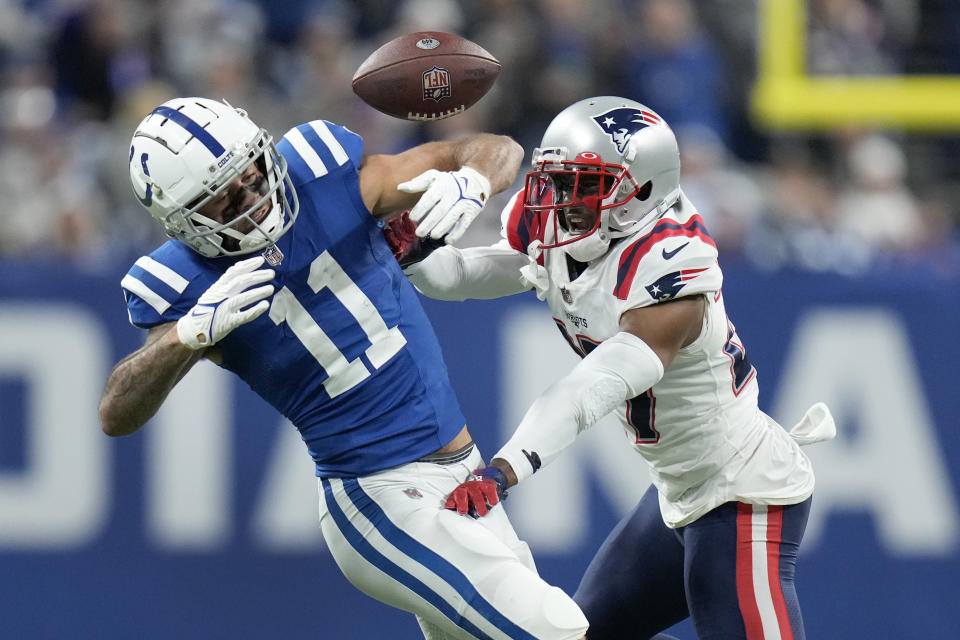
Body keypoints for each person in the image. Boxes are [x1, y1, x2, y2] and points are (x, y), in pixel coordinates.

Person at [98, 96, 589, 640]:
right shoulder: (185, 284)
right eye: (224, 199)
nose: (253, 197)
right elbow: (116, 412)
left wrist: (470, 180)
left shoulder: (325, 176)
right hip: (376, 495)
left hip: (464, 473)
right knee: (555, 629)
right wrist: (188, 335)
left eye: (252, 172)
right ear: (183, 224)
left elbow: (495, 149)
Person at [391, 96, 835, 640]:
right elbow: (463, 275)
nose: (562, 201)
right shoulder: (566, 229)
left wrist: (505, 470)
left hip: (744, 492)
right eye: (557, 180)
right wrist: (413, 253)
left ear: (641, 189)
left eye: (584, 184)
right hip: (675, 491)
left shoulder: (673, 264)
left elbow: (589, 388)